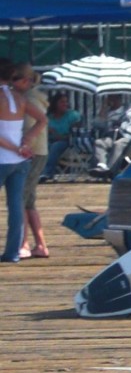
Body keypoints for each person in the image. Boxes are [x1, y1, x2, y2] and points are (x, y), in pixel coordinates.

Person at [0, 60, 46, 262]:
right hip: (19, 161)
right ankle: (12, 253)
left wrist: (16, 146)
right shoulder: (19, 98)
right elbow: (43, 120)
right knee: (16, 206)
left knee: (17, 205)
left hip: (3, 159)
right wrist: (27, 140)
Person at [17, 67, 50, 259]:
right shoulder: (37, 97)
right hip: (40, 152)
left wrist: (24, 144)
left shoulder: (28, 99)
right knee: (29, 201)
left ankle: (24, 244)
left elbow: (32, 125)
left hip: (32, 153)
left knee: (20, 198)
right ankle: (40, 245)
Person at [89, 93, 131, 179]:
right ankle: (102, 166)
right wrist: (104, 107)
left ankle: (111, 171)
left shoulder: (129, 108)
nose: (111, 100)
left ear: (119, 99)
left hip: (127, 136)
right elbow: (97, 124)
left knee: (118, 144)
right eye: (109, 98)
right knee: (99, 142)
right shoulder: (106, 112)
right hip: (111, 136)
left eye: (113, 98)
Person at [41, 91, 82, 181]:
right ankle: (37, 172)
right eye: (62, 102)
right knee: (43, 146)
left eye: (66, 102)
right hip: (50, 140)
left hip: (68, 141)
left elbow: (76, 131)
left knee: (55, 146)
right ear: (55, 104)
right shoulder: (49, 117)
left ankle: (47, 173)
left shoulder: (72, 115)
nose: (65, 104)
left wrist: (60, 135)